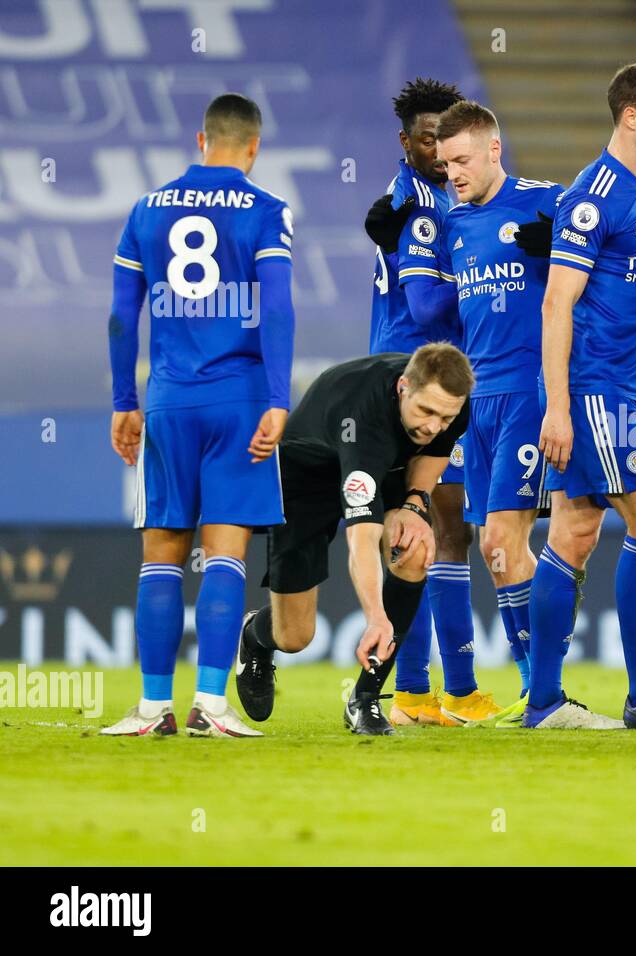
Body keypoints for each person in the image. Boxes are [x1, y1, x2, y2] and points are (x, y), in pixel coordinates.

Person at [103, 92, 294, 739]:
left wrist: (123, 402)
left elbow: (121, 317)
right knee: (225, 555)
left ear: (200, 139)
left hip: (170, 400)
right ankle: (210, 707)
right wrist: (277, 398)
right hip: (239, 401)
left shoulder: (146, 210)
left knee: (160, 554)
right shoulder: (266, 211)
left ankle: (153, 706)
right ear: (254, 147)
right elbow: (278, 309)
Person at [528, 61, 636, 730]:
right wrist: (560, 407)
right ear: (631, 117)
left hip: (618, 389)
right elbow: (556, 302)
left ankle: (545, 702)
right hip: (594, 391)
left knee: (573, 530)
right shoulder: (595, 196)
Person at [398, 101, 565, 723]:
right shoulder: (455, 223)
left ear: (496, 149)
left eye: (462, 161)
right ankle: (537, 688)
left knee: (500, 539)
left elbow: (626, 255)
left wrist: (565, 249)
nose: (453, 175)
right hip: (477, 403)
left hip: (529, 393)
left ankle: (541, 686)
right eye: (444, 166)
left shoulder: (547, 202)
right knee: (496, 553)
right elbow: (439, 309)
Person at [362, 77, 505, 727]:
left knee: (438, 532)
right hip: (414, 378)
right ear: (407, 143)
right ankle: (438, 690)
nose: (438, 154)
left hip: (427, 376)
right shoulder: (421, 205)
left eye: (446, 144)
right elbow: (424, 305)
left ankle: (423, 692)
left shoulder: (428, 196)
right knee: (441, 532)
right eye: (426, 142)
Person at [235, 345, 472, 736]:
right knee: (294, 637)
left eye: (445, 417)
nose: (433, 425)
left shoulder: (452, 404)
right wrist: (377, 618)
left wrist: (414, 505)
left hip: (386, 470)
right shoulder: (363, 422)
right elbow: (362, 541)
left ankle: (365, 700)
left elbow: (433, 453)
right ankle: (254, 636)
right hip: (308, 477)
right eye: (426, 412)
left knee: (415, 550)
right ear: (403, 387)